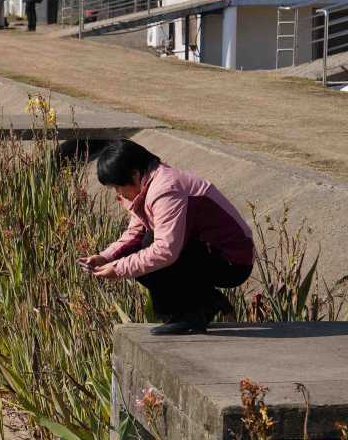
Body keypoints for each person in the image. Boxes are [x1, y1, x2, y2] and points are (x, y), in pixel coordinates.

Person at [79, 140, 254, 335]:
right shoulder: (149, 186)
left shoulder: (166, 190)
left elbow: (165, 251)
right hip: (203, 251)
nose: (118, 194)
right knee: (141, 248)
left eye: (118, 187)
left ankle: (186, 315)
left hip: (232, 261)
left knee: (149, 248)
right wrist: (106, 257)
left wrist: (118, 269)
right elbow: (134, 233)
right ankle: (204, 303)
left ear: (135, 175)